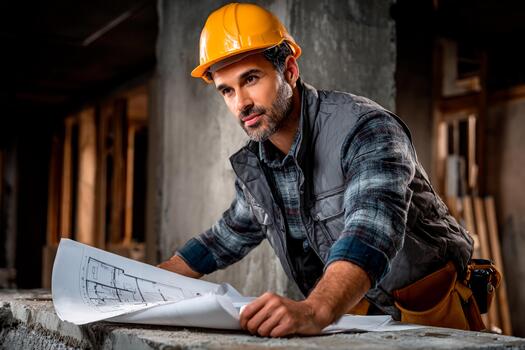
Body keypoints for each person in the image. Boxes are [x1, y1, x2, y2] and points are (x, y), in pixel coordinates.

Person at [158, 2, 474, 337]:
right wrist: (146, 284)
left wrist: (314, 309)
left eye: (251, 78)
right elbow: (221, 240)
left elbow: (373, 228)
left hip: (431, 316)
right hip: (357, 320)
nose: (241, 103)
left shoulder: (365, 128)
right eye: (227, 90)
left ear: (290, 70)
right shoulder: (261, 165)